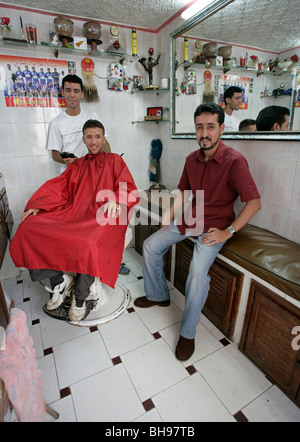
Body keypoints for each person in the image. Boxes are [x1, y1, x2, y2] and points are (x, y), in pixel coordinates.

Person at [134, 103, 261, 361]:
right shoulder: (192, 158)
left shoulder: (235, 161)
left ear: (222, 129)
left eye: (210, 127)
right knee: (150, 246)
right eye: (200, 127)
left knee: (196, 273)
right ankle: (159, 296)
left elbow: (254, 203)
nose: (205, 133)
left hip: (215, 228)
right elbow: (183, 191)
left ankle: (188, 333)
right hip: (190, 219)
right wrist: (169, 215)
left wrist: (229, 232)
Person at [9, 120, 139, 322]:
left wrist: (115, 197)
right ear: (83, 139)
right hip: (75, 212)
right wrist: (39, 205)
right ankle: (57, 280)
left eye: (98, 136)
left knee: (89, 243)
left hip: (105, 215)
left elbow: (128, 187)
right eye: (89, 137)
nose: (94, 141)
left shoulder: (115, 161)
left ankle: (80, 296)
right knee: (28, 228)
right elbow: (60, 188)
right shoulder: (77, 165)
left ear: (104, 138)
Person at [47, 74, 111, 174]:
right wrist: (66, 161)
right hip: (70, 175)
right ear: (62, 92)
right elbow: (54, 154)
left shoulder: (92, 116)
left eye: (76, 91)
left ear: (82, 94)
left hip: (93, 173)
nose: (72, 95)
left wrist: (109, 161)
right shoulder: (56, 123)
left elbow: (105, 144)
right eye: (68, 90)